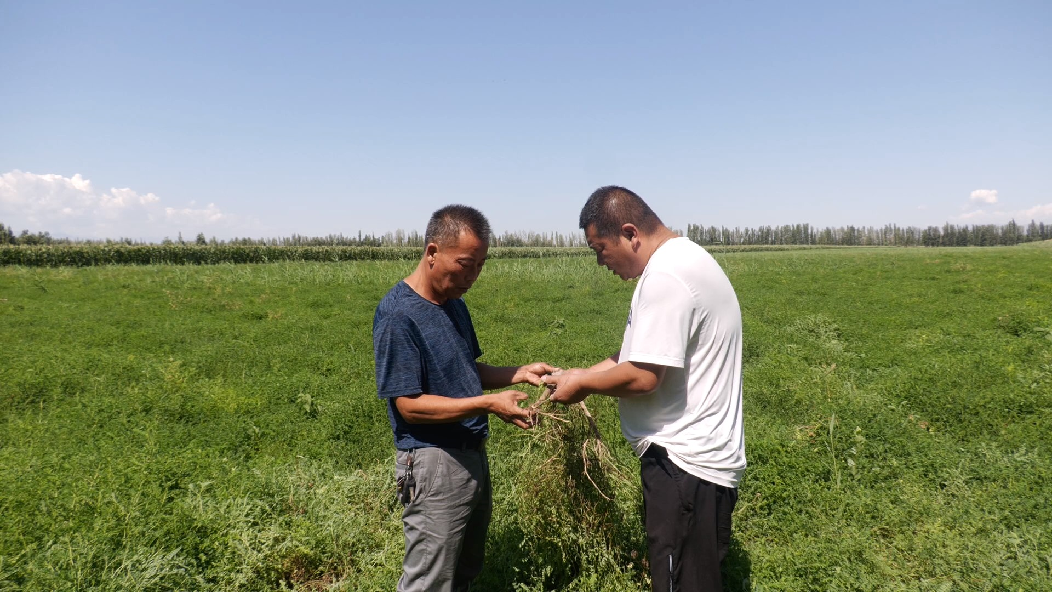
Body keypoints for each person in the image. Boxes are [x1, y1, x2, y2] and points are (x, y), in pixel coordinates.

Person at [545, 186, 746, 592]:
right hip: (693, 465)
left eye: (599, 248)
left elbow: (643, 376)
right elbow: (634, 355)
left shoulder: (666, 278)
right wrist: (576, 373)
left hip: (686, 467)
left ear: (630, 233)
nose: (600, 261)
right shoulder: (682, 259)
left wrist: (582, 385)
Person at [373, 204, 554, 592]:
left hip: (471, 452)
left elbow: (466, 371)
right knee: (430, 581)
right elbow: (409, 405)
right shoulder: (397, 316)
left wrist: (518, 372)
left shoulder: (453, 302)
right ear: (432, 252)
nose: (472, 277)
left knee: (465, 570)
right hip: (432, 460)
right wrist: (488, 404)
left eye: (480, 266)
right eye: (466, 264)